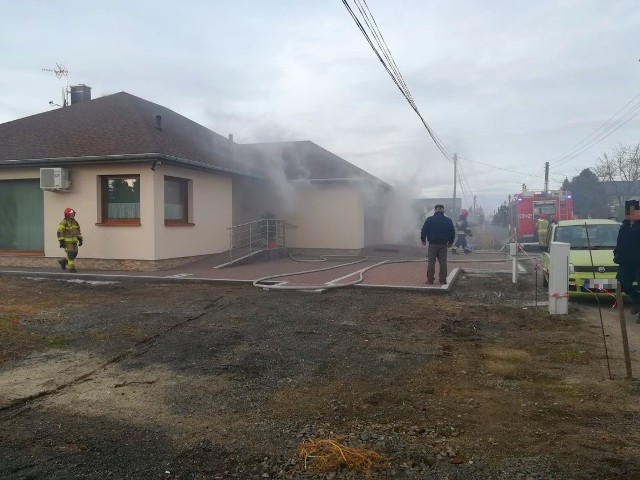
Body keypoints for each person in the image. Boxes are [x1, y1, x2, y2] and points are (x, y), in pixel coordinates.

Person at [614, 200, 640, 317]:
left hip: (638, 262)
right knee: (623, 283)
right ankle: (638, 300)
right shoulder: (624, 226)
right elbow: (620, 242)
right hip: (625, 262)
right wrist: (616, 253)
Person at [421, 204, 455, 285]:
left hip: (433, 244)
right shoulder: (448, 220)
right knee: (443, 262)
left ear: (435, 210)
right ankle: (443, 280)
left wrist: (423, 239)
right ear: (443, 210)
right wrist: (450, 242)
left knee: (431, 262)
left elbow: (424, 230)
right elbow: (452, 232)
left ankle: (430, 280)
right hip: (443, 245)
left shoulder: (429, 220)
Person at [57, 207, 83, 273]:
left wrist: (80, 239)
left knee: (75, 253)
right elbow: (60, 232)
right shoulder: (64, 222)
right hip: (67, 242)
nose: (72, 216)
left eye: (73, 214)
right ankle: (72, 268)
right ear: (67, 215)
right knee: (71, 254)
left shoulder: (75, 223)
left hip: (74, 241)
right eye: (71, 214)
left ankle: (63, 261)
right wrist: (61, 241)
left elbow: (78, 231)